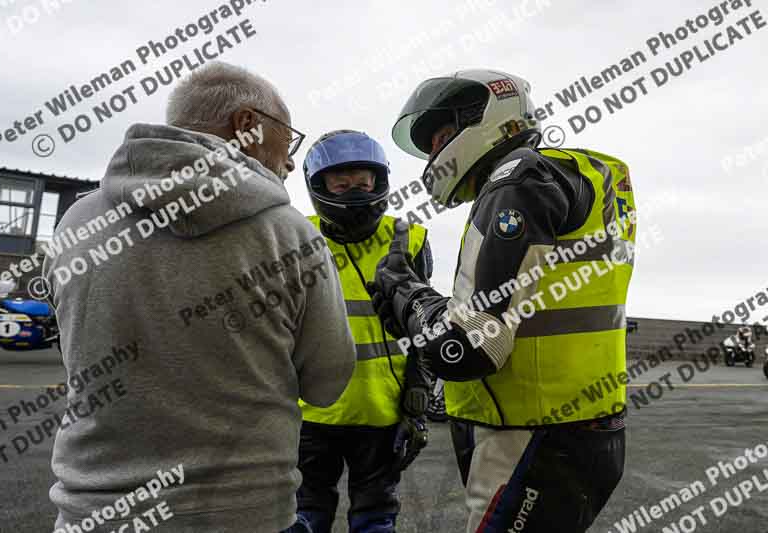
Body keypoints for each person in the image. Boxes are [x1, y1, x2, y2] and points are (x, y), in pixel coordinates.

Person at [43, 62, 356, 533]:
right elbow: (328, 384)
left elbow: (76, 353)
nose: (290, 161)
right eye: (287, 139)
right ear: (247, 125)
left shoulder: (76, 225)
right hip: (245, 514)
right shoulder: (290, 235)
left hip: (93, 514)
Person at [368, 69, 637, 532]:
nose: (434, 156)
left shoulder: (518, 180)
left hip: (529, 436)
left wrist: (404, 292)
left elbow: (470, 347)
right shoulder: (587, 172)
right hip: (586, 426)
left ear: (487, 115)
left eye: (441, 138)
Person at [297, 130, 433, 532]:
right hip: (310, 415)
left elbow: (426, 326)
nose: (354, 190)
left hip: (383, 411)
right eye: (341, 181)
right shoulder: (295, 236)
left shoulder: (408, 238)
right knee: (305, 515)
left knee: (375, 517)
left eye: (363, 181)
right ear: (320, 185)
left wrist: (418, 399)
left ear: (379, 181)